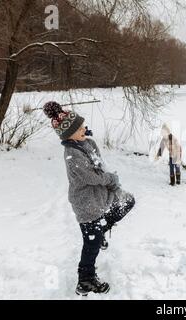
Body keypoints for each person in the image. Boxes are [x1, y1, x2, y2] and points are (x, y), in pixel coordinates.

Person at [43, 101, 135, 296]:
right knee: (91, 244)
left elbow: (100, 167)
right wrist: (111, 179)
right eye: (79, 127)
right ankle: (85, 280)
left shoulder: (89, 143)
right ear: (69, 134)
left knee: (128, 200)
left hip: (100, 197)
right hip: (86, 204)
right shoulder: (72, 154)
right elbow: (91, 176)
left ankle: (101, 230)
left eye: (83, 125)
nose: (84, 128)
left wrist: (113, 184)